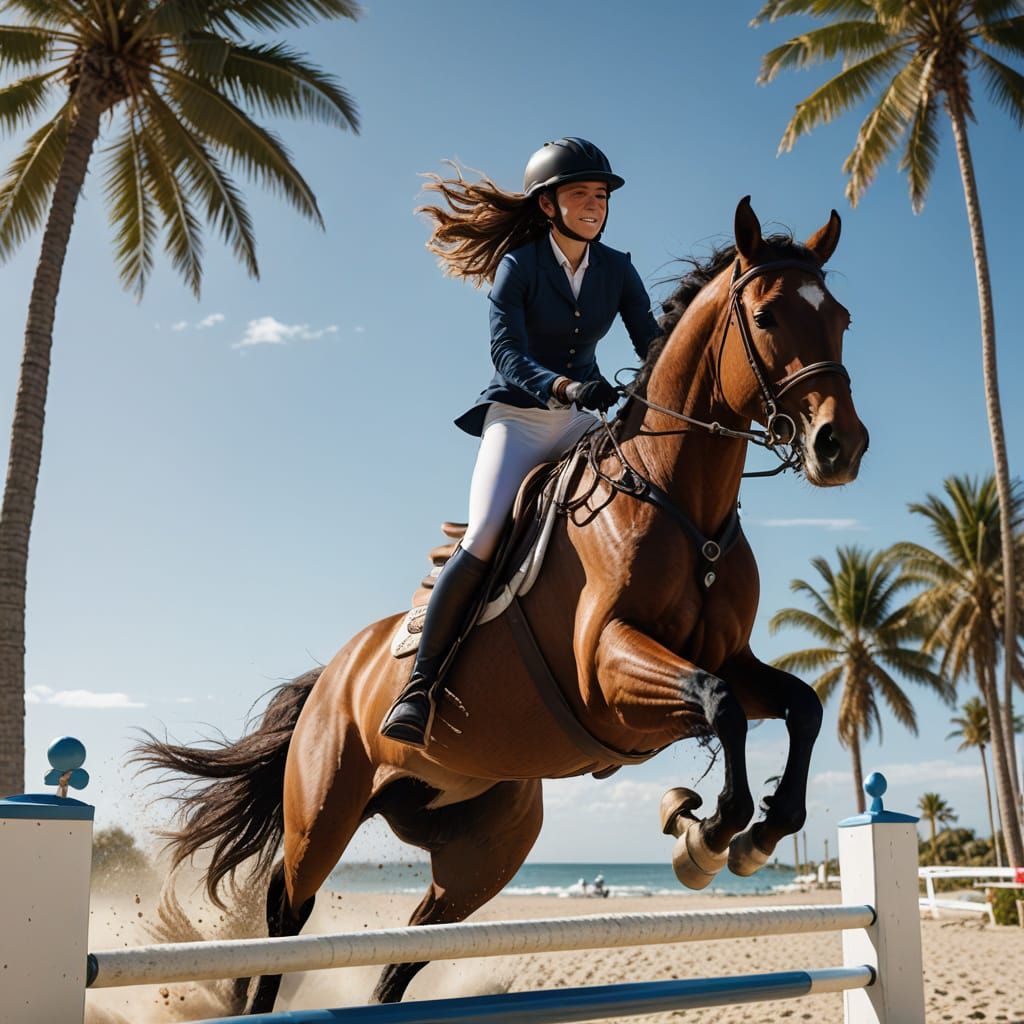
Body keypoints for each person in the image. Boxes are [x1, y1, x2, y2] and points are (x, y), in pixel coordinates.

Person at [380, 138, 663, 748]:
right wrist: (563, 385)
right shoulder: (520, 266)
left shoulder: (619, 267)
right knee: (484, 535)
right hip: (520, 418)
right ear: (547, 206)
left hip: (583, 422)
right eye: (580, 194)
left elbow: (652, 345)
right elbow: (506, 354)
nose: (593, 205)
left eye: (600, 195)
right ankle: (419, 687)